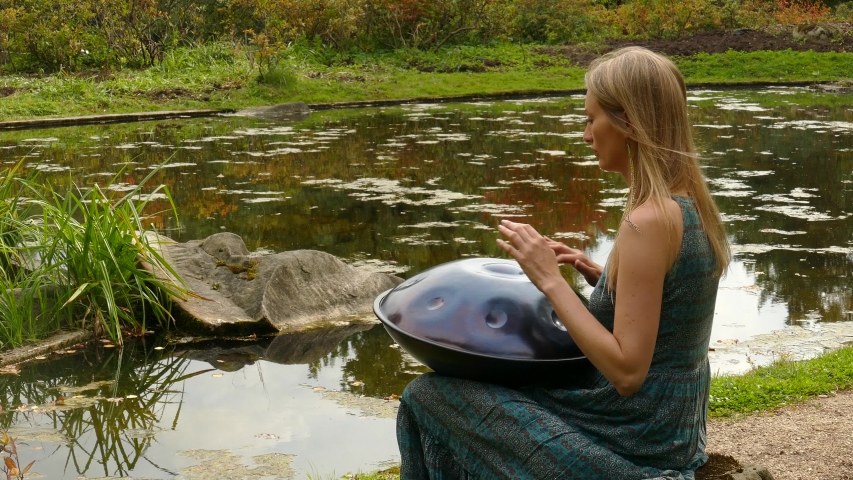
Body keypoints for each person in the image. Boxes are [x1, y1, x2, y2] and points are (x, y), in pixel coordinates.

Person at [396, 46, 731, 480]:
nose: (586, 134)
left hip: (632, 437)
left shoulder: (648, 221)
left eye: (591, 119)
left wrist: (550, 280)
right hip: (670, 430)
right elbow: (672, 310)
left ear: (628, 122)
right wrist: (602, 278)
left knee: (427, 395)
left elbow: (628, 373)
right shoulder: (689, 205)